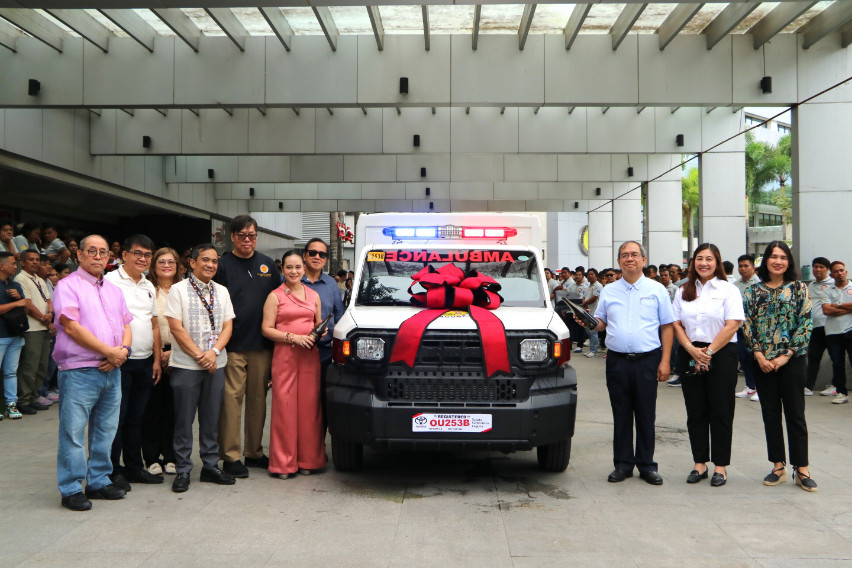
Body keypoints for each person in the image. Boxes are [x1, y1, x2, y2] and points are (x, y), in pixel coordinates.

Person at [53, 235, 133, 511]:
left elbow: (126, 325)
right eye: (92, 251)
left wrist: (121, 351)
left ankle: (98, 480)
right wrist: (108, 352)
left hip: (113, 369)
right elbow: (72, 327)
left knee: (105, 430)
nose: (98, 257)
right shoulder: (67, 286)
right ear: (80, 255)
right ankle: (72, 487)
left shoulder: (113, 290)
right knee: (73, 432)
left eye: (103, 252)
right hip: (79, 370)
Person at [586, 241, 674, 485]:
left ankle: (647, 465)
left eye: (634, 254)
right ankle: (623, 464)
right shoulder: (609, 291)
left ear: (643, 260)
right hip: (617, 361)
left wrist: (665, 361)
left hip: (648, 360)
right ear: (618, 262)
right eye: (624, 255)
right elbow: (601, 322)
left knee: (646, 415)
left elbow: (667, 326)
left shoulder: (657, 290)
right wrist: (590, 323)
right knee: (621, 414)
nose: (629, 259)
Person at [742, 241, 816, 492]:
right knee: (770, 415)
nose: (778, 261)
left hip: (792, 361)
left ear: (789, 262)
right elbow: (747, 326)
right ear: (766, 261)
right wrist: (759, 356)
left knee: (796, 414)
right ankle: (778, 466)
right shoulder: (752, 292)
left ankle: (802, 468)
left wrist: (786, 355)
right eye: (773, 256)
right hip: (762, 363)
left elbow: (805, 323)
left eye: (783, 257)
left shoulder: (798, 289)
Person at [213, 215, 281, 478]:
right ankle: (230, 456)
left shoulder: (267, 265)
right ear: (232, 237)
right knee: (231, 400)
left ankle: (253, 452)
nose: (247, 240)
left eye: (251, 235)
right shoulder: (222, 265)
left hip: (262, 345)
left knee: (258, 401)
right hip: (232, 345)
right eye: (242, 235)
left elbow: (278, 300)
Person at [165, 244, 235, 493]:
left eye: (215, 261)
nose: (210, 265)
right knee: (184, 420)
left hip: (216, 362)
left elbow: (228, 326)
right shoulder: (178, 290)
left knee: (211, 418)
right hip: (186, 365)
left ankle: (210, 466)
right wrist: (199, 355)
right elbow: (175, 327)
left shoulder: (223, 291)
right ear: (192, 263)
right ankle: (183, 469)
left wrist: (213, 353)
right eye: (205, 260)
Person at [672, 244, 744, 487]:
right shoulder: (683, 290)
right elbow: (676, 324)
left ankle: (721, 466)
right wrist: (692, 350)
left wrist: (709, 352)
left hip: (721, 353)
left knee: (721, 410)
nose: (704, 263)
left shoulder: (728, 290)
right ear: (693, 263)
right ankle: (699, 463)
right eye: (699, 259)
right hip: (690, 351)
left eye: (709, 259)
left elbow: (733, 324)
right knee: (696, 410)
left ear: (717, 262)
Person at [261, 250, 327, 479]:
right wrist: (293, 338)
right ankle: (283, 463)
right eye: (289, 267)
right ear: (282, 269)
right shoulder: (275, 296)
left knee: (310, 410)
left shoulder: (313, 295)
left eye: (298, 267)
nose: (294, 271)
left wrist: (321, 330)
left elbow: (318, 322)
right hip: (285, 355)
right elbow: (267, 329)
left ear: (304, 268)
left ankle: (309, 459)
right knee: (284, 409)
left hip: (309, 356)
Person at [105, 235, 163, 488]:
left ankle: (134, 467)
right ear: (124, 255)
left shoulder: (149, 285)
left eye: (148, 255)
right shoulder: (109, 282)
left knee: (136, 418)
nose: (143, 259)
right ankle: (112, 469)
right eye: (138, 253)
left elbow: (154, 325)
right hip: (120, 362)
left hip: (145, 361)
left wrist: (157, 360)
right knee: (116, 418)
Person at [141, 247, 180, 476]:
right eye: (161, 261)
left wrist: (173, 352)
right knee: (151, 408)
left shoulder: (184, 289)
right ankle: (152, 457)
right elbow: (150, 325)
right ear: (154, 265)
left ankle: (171, 455)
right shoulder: (147, 289)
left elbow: (189, 327)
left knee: (174, 410)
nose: (166, 265)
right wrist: (159, 355)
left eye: (171, 262)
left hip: (180, 354)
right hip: (152, 355)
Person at [301, 238, 345, 433]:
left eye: (322, 254)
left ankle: (317, 447)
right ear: (304, 255)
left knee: (323, 402)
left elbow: (340, 316)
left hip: (324, 354)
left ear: (326, 259)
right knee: (300, 402)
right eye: (313, 253)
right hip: (296, 352)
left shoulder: (331, 285)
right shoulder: (290, 279)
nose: (317, 257)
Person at [14, 250, 53, 414]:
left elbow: (48, 300)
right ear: (22, 262)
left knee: (42, 366)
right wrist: (45, 319)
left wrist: (50, 314)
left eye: (37, 260)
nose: (35, 262)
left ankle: (34, 397)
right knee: (29, 366)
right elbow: (27, 305)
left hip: (44, 327)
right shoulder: (21, 278)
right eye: (31, 260)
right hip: (32, 329)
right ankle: (23, 401)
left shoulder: (39, 279)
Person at [0, 251, 27, 420]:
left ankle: (11, 404)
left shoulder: (15, 285)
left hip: (16, 334)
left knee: (11, 372)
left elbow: (25, 306)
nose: (15, 266)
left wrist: (19, 298)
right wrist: (17, 302)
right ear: (1, 265)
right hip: (0, 335)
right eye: (12, 263)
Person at [821, 261, 852, 405]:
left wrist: (837, 305)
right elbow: (826, 310)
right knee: (837, 363)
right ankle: (841, 393)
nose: (839, 273)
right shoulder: (827, 290)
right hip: (833, 332)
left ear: (846, 272)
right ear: (831, 274)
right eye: (836, 271)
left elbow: (832, 308)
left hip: (850, 330)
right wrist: (848, 308)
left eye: (841, 270)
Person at [806, 258, 838, 397]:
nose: (818, 270)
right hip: (815, 328)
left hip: (831, 326)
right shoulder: (811, 285)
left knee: (835, 357)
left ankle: (835, 385)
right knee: (813, 357)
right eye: (815, 267)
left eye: (821, 267)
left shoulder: (833, 284)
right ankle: (808, 386)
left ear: (827, 269)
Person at [734, 254, 762, 401]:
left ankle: (760, 388)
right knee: (744, 358)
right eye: (741, 266)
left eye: (746, 266)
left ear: (753, 267)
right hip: (738, 326)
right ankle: (750, 386)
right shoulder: (735, 285)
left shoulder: (759, 285)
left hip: (754, 328)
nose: (743, 269)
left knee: (755, 357)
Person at [581, 268, 602, 358]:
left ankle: (594, 351)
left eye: (592, 274)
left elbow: (594, 297)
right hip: (588, 311)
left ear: (596, 276)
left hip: (595, 312)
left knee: (593, 332)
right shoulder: (588, 286)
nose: (589, 276)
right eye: (588, 274)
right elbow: (584, 297)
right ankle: (592, 349)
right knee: (589, 331)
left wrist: (585, 303)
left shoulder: (598, 285)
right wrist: (584, 304)